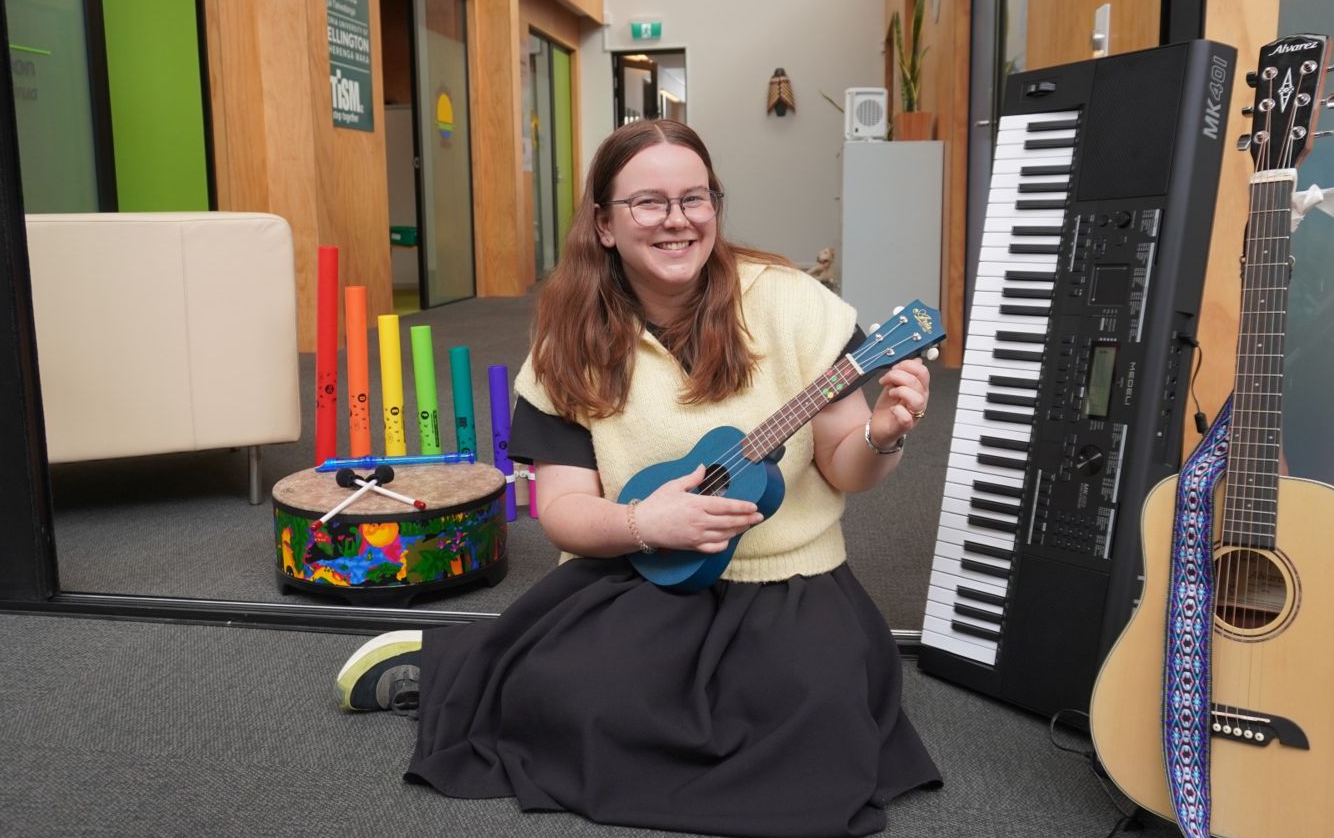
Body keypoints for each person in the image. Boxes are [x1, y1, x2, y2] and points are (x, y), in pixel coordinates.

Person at [334, 119, 942, 837]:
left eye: (696, 198)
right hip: (639, 574)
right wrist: (643, 524)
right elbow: (562, 509)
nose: (678, 220)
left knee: (809, 724)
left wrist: (884, 433)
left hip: (790, 585)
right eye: (648, 202)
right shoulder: (571, 338)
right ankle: (444, 663)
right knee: (573, 700)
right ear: (604, 224)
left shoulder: (790, 302)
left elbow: (847, 466)